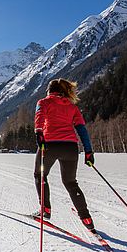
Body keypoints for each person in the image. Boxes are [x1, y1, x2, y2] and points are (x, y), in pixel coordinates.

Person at [33, 78, 96, 233]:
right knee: (70, 182)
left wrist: (39, 133)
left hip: (49, 145)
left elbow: (39, 118)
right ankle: (86, 218)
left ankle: (45, 210)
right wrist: (88, 152)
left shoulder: (44, 102)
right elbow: (82, 131)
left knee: (40, 175)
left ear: (49, 90)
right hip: (70, 147)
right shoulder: (72, 107)